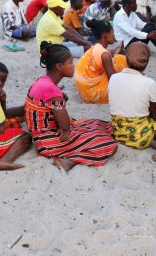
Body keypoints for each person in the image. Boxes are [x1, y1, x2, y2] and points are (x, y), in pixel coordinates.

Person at [24, 42, 118, 172]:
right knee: (107, 144)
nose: (73, 66)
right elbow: (65, 125)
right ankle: (69, 162)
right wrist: (66, 129)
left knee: (97, 124)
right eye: (70, 62)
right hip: (48, 142)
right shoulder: (52, 90)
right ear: (59, 66)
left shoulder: (41, 81)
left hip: (40, 135)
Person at [108, 42, 156, 150]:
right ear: (146, 63)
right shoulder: (150, 83)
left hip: (118, 134)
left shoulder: (113, 78)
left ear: (126, 60)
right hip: (142, 138)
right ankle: (155, 142)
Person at [75, 20, 127, 104]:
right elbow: (113, 79)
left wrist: (117, 50)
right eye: (112, 32)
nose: (114, 35)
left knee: (116, 58)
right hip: (92, 95)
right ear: (105, 35)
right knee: (121, 61)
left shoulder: (95, 47)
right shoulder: (105, 55)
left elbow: (107, 54)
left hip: (84, 90)